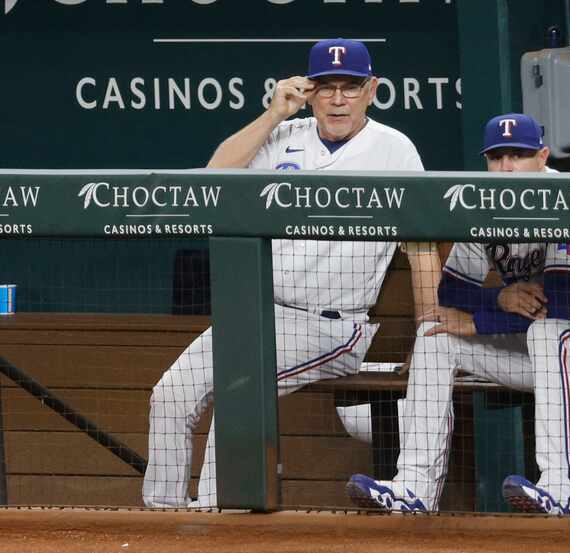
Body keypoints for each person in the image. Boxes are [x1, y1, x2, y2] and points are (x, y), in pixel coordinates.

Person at [142, 38, 439, 508]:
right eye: (326, 87)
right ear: (308, 90)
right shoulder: (285, 136)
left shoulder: (393, 150)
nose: (338, 99)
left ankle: (217, 521)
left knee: (240, 393)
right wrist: (274, 114)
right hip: (259, 315)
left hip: (332, 325)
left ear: (372, 90)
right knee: (170, 396)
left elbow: (422, 244)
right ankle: (162, 516)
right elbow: (213, 175)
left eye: (350, 87)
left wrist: (430, 327)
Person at [345, 113, 570, 515]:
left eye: (519, 155)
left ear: (543, 157)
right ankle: (414, 487)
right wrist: (500, 298)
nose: (507, 167)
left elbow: (557, 304)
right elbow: (453, 292)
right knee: (435, 338)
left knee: (549, 332)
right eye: (497, 157)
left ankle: (560, 490)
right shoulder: (485, 208)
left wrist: (480, 319)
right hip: (548, 354)